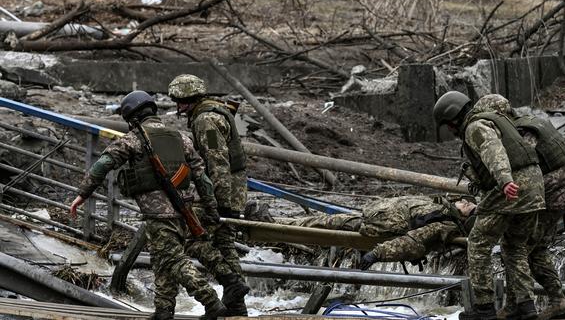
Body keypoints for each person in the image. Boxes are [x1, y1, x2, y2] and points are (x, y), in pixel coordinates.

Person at [69, 91, 227, 320]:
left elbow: (103, 163)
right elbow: (202, 176)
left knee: (172, 260)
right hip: (184, 210)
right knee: (162, 260)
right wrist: (211, 208)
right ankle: (164, 310)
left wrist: (83, 194)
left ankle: (211, 301)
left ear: (132, 117)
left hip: (158, 213)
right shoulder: (180, 137)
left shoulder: (134, 138)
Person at [433, 91, 546, 320]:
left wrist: (504, 180)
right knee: (515, 246)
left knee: (478, 243)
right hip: (534, 186)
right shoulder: (495, 119)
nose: (452, 131)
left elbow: (494, 151)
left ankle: (484, 308)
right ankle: (526, 306)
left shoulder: (475, 126)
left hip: (512, 187)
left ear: (454, 119)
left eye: (448, 125)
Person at [476, 95, 565, 320]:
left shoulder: (521, 132)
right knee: (532, 247)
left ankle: (537, 303)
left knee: (518, 246)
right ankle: (538, 302)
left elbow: (523, 164)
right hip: (562, 191)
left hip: (550, 194)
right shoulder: (531, 121)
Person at [168, 74, 249, 316]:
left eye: (180, 101)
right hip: (232, 190)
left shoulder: (205, 121)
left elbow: (217, 159)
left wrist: (220, 204)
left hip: (222, 192)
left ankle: (230, 283)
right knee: (224, 243)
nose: (178, 106)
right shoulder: (215, 111)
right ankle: (236, 304)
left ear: (190, 100)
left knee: (190, 238)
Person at [245, 195, 476, 268]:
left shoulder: (445, 222)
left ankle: (268, 225)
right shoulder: (441, 206)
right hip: (374, 219)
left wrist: (377, 254)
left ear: (466, 217)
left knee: (321, 223)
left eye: (469, 206)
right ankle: (272, 222)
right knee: (320, 221)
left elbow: (413, 241)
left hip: (373, 229)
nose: (465, 202)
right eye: (466, 201)